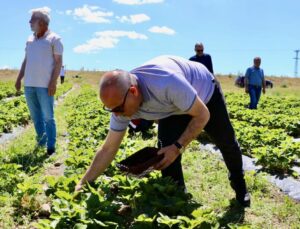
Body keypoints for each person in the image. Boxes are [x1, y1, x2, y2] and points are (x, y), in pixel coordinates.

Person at [75, 55, 250, 207]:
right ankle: (177, 200)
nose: (117, 114)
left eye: (119, 109)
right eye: (112, 110)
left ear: (134, 91)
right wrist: (83, 183)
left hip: (204, 93)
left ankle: (240, 186)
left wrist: (178, 146)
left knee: (226, 142)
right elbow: (108, 148)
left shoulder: (166, 83)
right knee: (166, 154)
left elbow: (203, 115)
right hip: (171, 107)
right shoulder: (120, 103)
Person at [15, 8, 63, 155]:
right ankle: (41, 142)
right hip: (29, 85)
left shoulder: (55, 39)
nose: (29, 22)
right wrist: (19, 78)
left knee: (48, 117)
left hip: (44, 86)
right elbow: (26, 60)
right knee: (36, 117)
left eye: (32, 20)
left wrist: (53, 82)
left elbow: (58, 63)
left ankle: (51, 146)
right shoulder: (30, 39)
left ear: (41, 22)